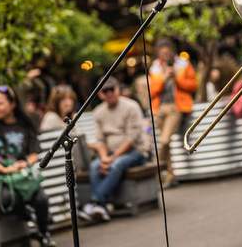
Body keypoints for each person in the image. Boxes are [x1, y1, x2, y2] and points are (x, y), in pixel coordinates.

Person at [0, 85, 55, 247]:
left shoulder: (25, 124)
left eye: (0, 103)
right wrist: (5, 169)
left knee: (41, 199)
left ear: (12, 104)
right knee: (9, 198)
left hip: (23, 176)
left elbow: (34, 153)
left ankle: (43, 233)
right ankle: (30, 219)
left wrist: (24, 164)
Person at [83, 78, 147, 222]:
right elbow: (100, 141)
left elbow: (132, 139)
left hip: (136, 151)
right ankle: (101, 207)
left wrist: (112, 159)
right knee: (95, 166)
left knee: (117, 164)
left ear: (118, 89)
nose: (110, 93)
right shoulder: (98, 112)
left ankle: (97, 203)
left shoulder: (131, 106)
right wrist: (104, 158)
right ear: (100, 94)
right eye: (105, 91)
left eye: (112, 89)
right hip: (111, 153)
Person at [149, 39, 197, 186]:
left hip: (176, 107)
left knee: (164, 141)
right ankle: (170, 175)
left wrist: (176, 78)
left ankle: (154, 170)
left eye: (167, 51)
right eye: (162, 52)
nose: (165, 54)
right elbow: (151, 91)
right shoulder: (155, 68)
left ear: (172, 51)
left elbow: (193, 85)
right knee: (166, 144)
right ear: (158, 53)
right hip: (159, 108)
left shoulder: (183, 64)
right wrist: (164, 78)